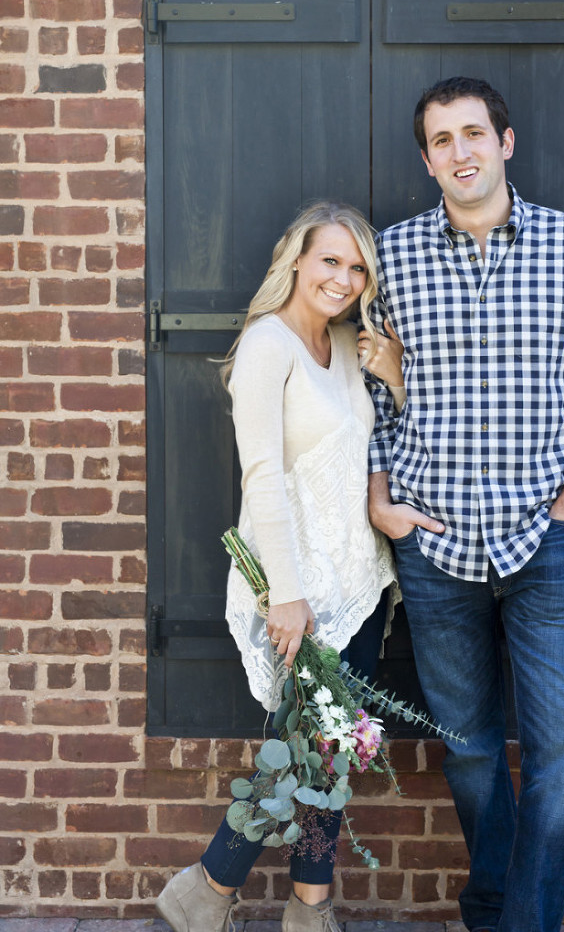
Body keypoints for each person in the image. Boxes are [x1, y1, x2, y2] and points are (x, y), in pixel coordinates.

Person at [365, 78, 564, 932]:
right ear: (427, 159)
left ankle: (518, 921)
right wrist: (384, 501)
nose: (462, 152)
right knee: (473, 750)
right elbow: (374, 400)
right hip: (435, 539)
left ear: (506, 142)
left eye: (474, 133)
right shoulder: (393, 256)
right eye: (443, 140)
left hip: (545, 540)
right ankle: (495, 909)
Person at [157, 201, 405, 932]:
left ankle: (306, 908)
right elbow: (262, 474)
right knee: (299, 753)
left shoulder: (342, 340)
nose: (343, 278)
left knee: (326, 758)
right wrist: (287, 597)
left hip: (358, 581)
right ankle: (207, 888)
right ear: (296, 259)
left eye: (357, 267)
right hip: (294, 587)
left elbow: (377, 443)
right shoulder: (268, 345)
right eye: (330, 260)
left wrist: (390, 374)